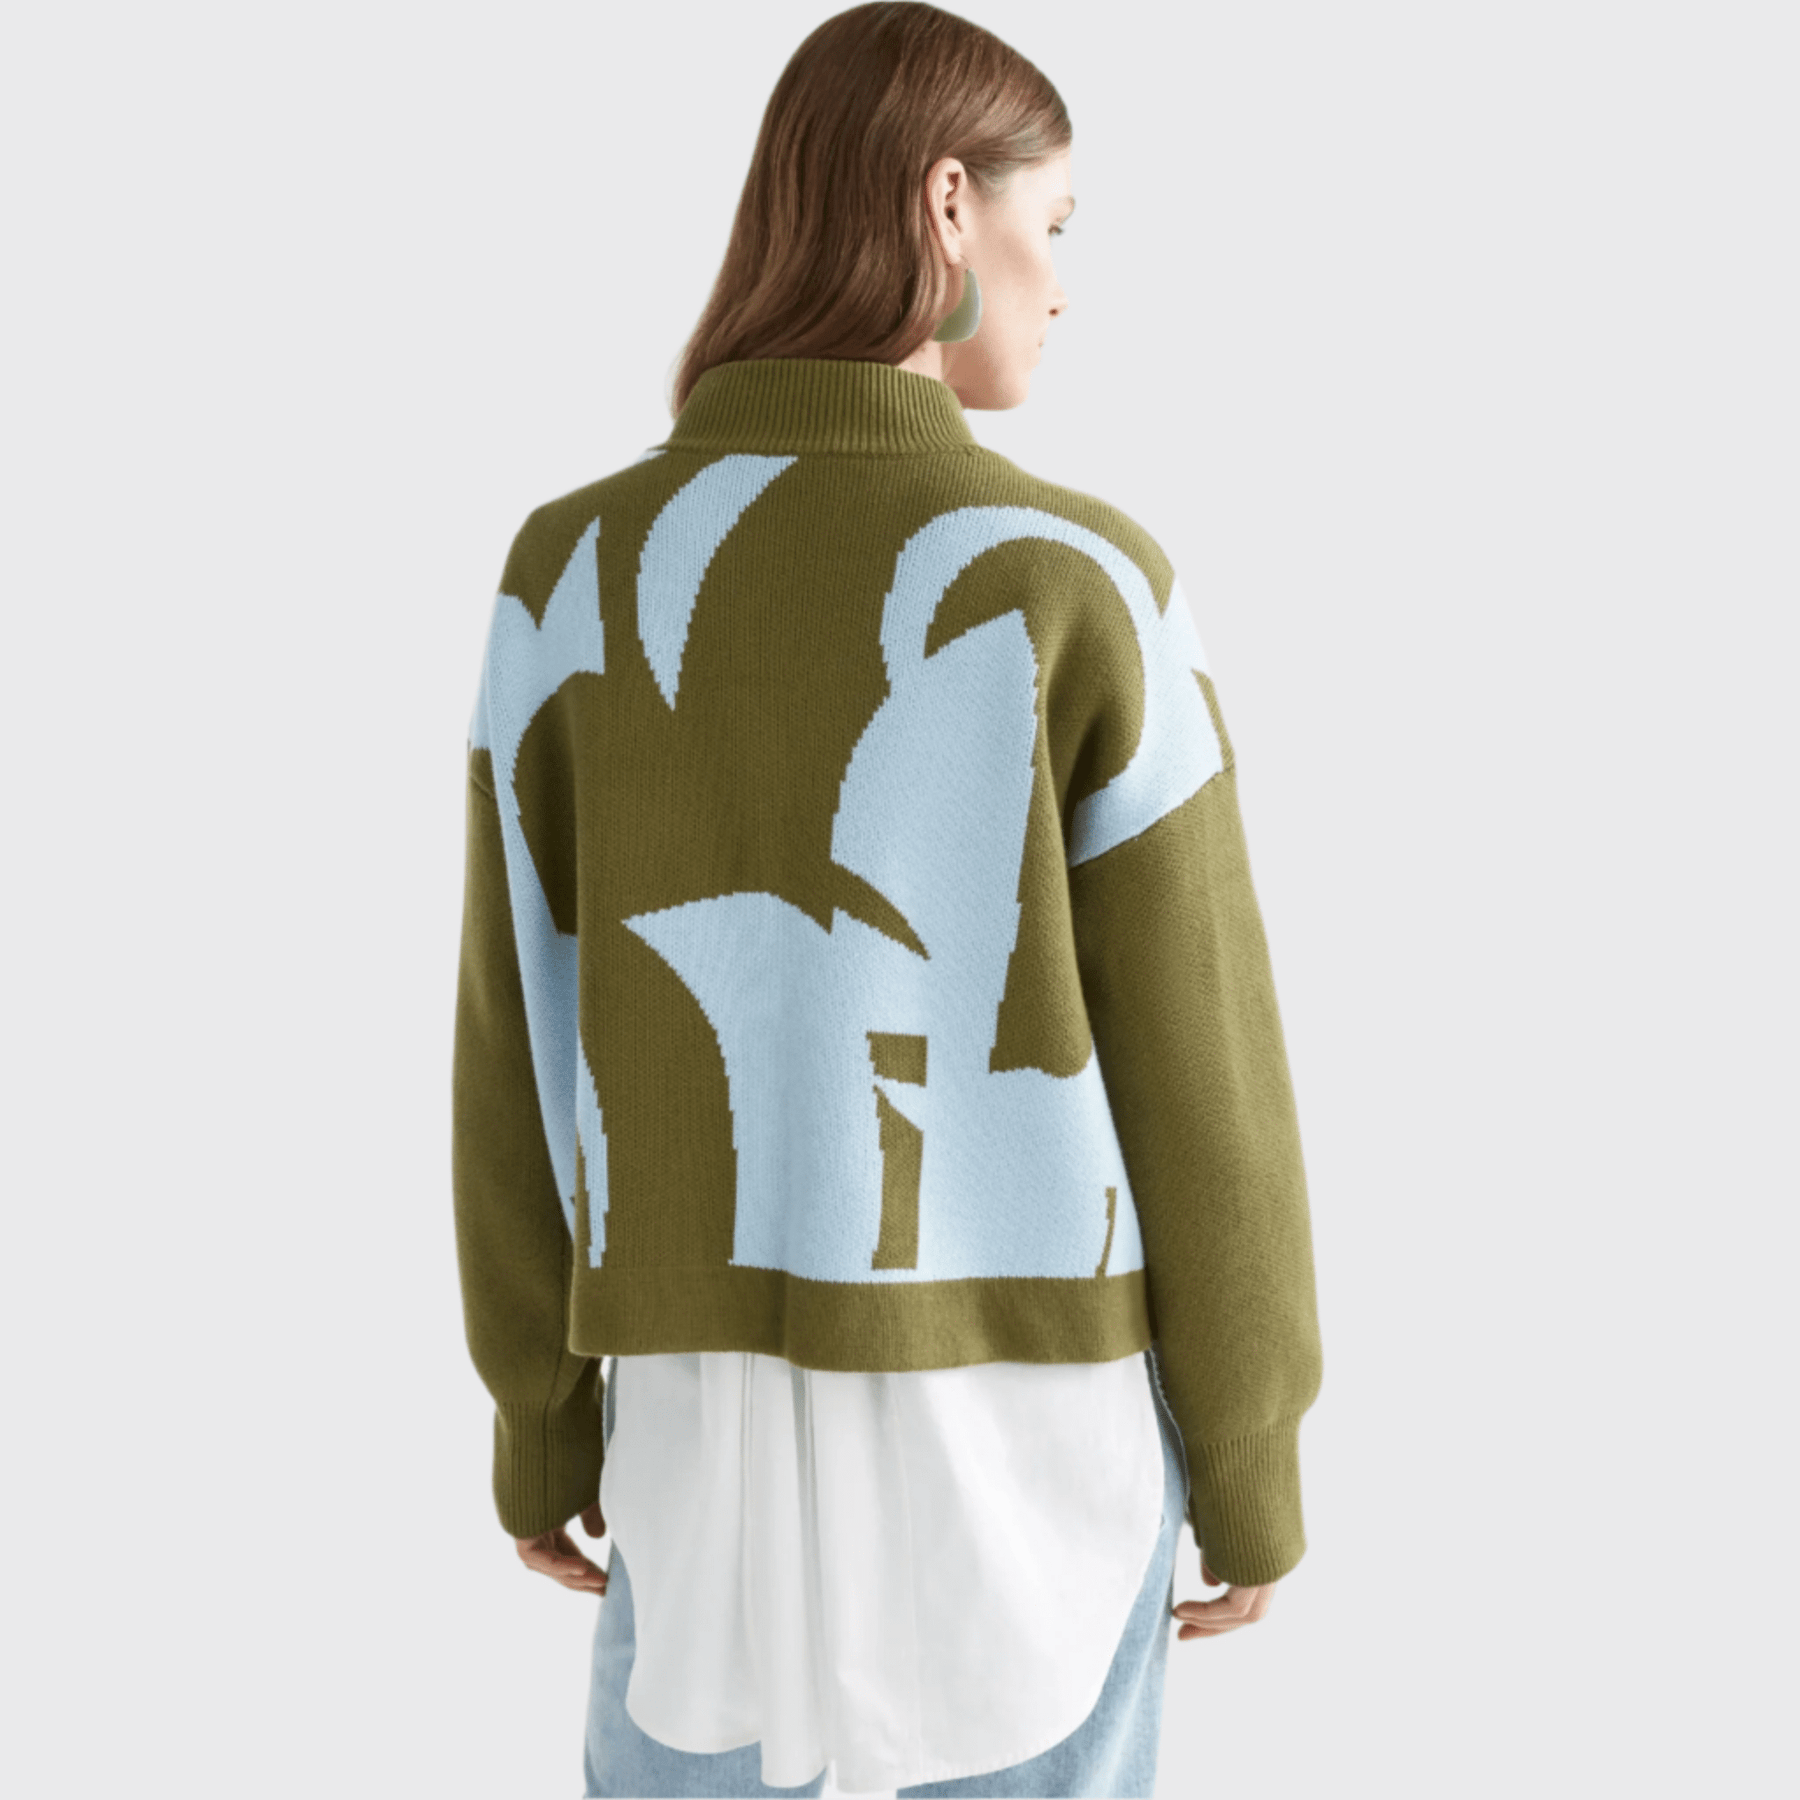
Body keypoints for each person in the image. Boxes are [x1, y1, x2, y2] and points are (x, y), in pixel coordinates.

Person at [450, 5, 1323, 1795]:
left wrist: (539, 1419)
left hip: (700, 1448)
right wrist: (1252, 1457)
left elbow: (519, 1025)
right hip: (1035, 1450)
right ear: (945, 207)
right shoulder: (1082, 583)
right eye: (1052, 223)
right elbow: (1206, 1072)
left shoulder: (575, 572)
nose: (1065, 283)